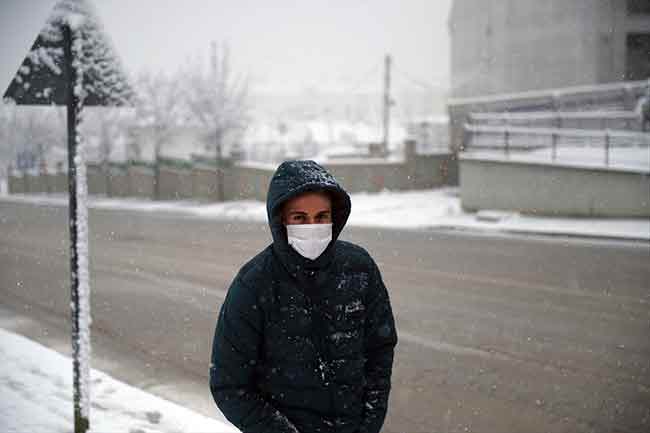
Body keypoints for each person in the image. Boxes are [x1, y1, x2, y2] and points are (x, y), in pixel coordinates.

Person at [210, 160, 398, 433]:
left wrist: (368, 423)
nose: (313, 226)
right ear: (281, 220)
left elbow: (379, 352)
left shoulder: (359, 268)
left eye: (322, 217)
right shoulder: (254, 283)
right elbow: (229, 385)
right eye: (300, 218)